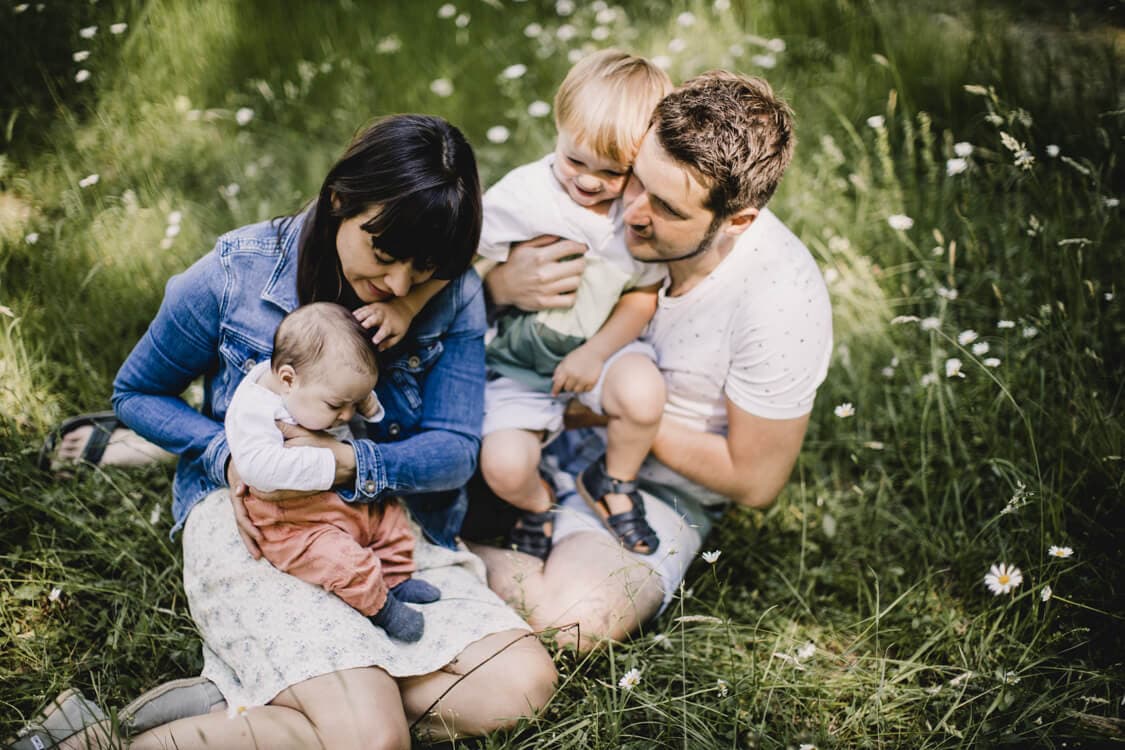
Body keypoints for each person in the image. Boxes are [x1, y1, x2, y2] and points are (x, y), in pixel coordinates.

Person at [25, 114, 556, 750]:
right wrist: (227, 455)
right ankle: (104, 741)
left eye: (422, 269)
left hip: (377, 526)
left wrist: (349, 463)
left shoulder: (450, 290)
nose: (398, 285)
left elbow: (455, 452)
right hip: (261, 524)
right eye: (384, 256)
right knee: (372, 740)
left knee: (520, 686)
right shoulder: (235, 272)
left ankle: (256, 700)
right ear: (339, 201)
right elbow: (136, 393)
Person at [466, 71, 834, 652]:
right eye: (635, 178)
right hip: (518, 408)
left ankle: (439, 551)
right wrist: (498, 286)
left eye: (665, 207)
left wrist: (609, 415)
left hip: (652, 487)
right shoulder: (597, 189)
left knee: (575, 620)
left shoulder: (780, 299)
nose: (632, 211)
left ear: (737, 221)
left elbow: (756, 480)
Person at [354, 50, 673, 561]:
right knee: (503, 466)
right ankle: (540, 503)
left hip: (599, 354)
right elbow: (458, 260)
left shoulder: (634, 214)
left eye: (614, 172)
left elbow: (642, 294)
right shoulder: (526, 196)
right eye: (575, 161)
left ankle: (614, 479)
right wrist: (407, 307)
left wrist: (596, 354)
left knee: (643, 391)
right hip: (519, 364)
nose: (590, 182)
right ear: (559, 128)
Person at [225, 302, 441, 643]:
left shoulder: (315, 384)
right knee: (339, 559)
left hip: (340, 495)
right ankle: (381, 607)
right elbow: (258, 470)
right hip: (294, 517)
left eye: (352, 404)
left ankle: (396, 577)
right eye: (337, 405)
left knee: (390, 519)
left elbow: (350, 400)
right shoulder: (253, 410)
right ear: (288, 380)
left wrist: (364, 402)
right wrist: (331, 461)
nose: (346, 415)